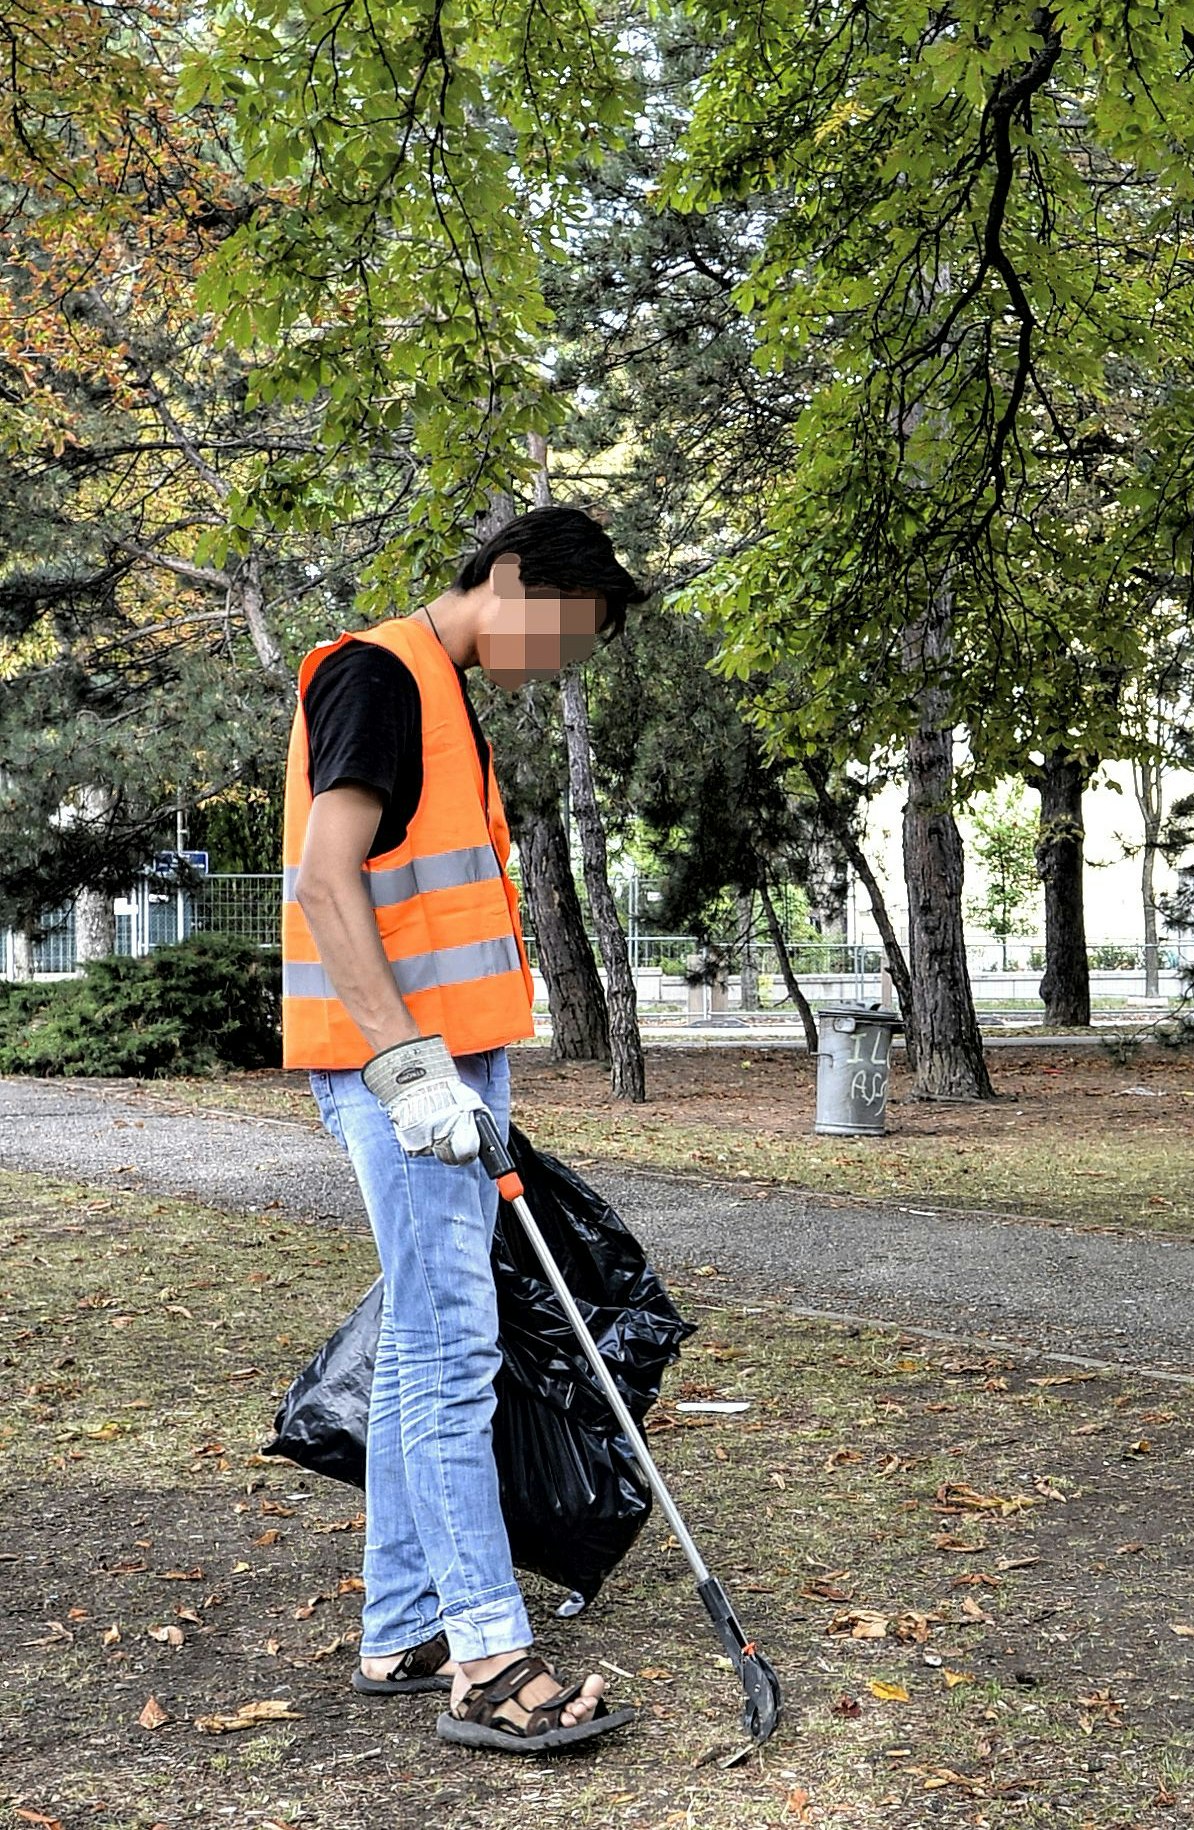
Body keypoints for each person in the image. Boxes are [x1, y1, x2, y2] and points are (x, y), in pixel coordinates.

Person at [281, 507, 650, 1753]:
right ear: (510, 578)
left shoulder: (438, 692)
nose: (561, 663)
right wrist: (406, 1067)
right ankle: (489, 1657)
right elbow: (325, 878)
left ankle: (403, 1627)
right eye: (566, 634)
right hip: (405, 1073)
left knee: (423, 1345)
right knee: (450, 1352)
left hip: (443, 1068)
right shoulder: (378, 676)